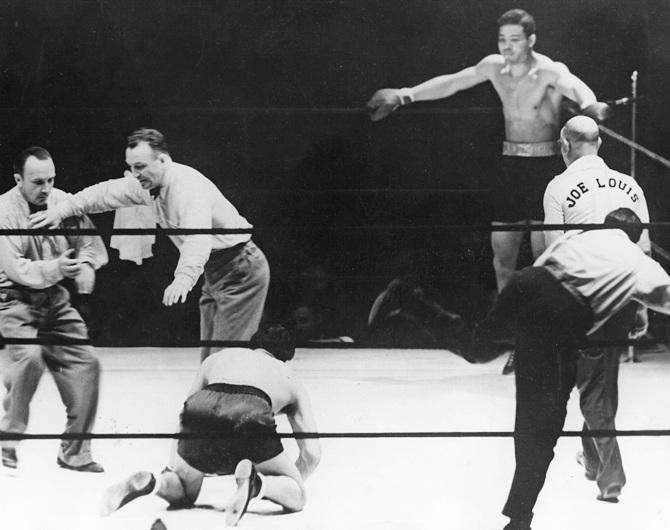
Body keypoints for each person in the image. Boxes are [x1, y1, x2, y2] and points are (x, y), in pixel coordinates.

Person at [366, 8, 610, 373]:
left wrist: (591, 107)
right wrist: (405, 94)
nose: (507, 47)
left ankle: (553, 340)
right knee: (503, 258)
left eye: (515, 40)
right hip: (510, 166)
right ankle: (513, 339)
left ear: (531, 40)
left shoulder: (548, 71)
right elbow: (453, 81)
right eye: (502, 40)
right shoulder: (494, 67)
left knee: (550, 256)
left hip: (545, 168)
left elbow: (577, 87)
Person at [461, 208, 670, 530]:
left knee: (478, 350)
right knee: (543, 425)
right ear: (635, 236)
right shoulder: (640, 263)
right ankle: (519, 519)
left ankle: (410, 300)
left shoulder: (579, 235)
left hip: (528, 281)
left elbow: (541, 268)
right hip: (561, 313)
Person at [30, 128, 270, 360]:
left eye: (141, 166)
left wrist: (183, 279)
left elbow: (198, 238)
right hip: (215, 270)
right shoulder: (146, 184)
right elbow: (104, 194)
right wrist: (60, 210)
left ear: (163, 161)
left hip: (240, 269)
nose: (135, 173)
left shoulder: (187, 188)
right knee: (210, 361)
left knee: (224, 362)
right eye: (132, 167)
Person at [99, 323, 321, 527]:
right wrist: (287, 483)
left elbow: (184, 413)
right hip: (250, 411)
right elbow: (312, 453)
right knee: (298, 496)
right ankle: (257, 484)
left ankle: (153, 482)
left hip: (201, 409)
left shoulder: (217, 359)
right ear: (285, 358)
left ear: (252, 345)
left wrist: (173, 465)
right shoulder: (289, 377)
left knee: (184, 490)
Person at [544, 115, 651, 502]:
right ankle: (592, 462)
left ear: (564, 145)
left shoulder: (559, 185)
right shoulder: (631, 185)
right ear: (600, 144)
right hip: (622, 291)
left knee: (593, 390)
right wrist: (641, 304)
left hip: (582, 295)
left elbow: (553, 250)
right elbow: (644, 248)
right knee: (602, 380)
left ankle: (612, 476)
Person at [0, 146, 108, 472]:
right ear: (18, 179)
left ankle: (74, 453)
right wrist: (60, 268)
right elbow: (18, 270)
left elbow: (89, 245)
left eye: (51, 180)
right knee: (29, 362)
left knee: (87, 363)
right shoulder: (4, 212)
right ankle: (8, 438)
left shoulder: (63, 202)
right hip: (13, 300)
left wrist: (87, 265)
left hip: (55, 301)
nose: (46, 189)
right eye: (37, 182)